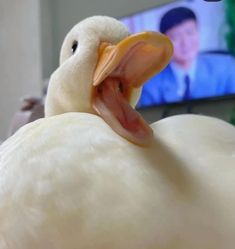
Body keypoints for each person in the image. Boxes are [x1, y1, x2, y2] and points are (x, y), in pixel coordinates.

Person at [138, 7, 235, 107]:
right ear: (165, 44)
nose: (185, 43)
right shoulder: (151, 82)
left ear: (198, 32)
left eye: (190, 33)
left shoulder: (227, 67)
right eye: (175, 37)